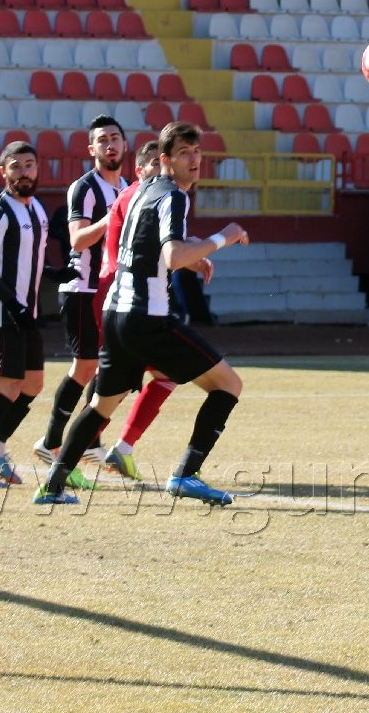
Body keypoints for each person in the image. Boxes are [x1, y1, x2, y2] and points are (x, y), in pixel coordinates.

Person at [35, 121, 250, 506]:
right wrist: (224, 236)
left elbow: (146, 249)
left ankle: (52, 485)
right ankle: (185, 475)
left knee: (101, 405)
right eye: (184, 153)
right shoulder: (175, 197)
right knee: (228, 385)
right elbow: (172, 255)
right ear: (165, 159)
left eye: (197, 152)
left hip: (116, 313)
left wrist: (191, 257)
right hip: (147, 317)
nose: (194, 160)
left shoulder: (139, 191)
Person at [0, 142, 79, 488]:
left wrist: (56, 274)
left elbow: (33, 259)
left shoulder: (37, 209)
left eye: (29, 165)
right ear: (3, 172)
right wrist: (13, 305)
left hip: (26, 312)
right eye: (16, 166)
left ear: (38, 169)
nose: (24, 172)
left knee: (33, 383)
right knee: (7, 384)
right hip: (2, 312)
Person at [33, 115, 129, 488]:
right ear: (91, 149)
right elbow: (77, 239)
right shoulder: (85, 188)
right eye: (102, 140)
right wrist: (112, 216)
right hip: (83, 289)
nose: (110, 144)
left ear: (125, 145)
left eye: (115, 138)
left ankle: (89, 440)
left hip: (114, 291)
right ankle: (52, 441)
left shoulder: (128, 186)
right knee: (87, 366)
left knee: (112, 368)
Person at [97, 140, 191, 482]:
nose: (159, 170)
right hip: (125, 300)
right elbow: (143, 253)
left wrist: (194, 260)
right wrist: (218, 241)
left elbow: (161, 250)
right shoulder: (140, 196)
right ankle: (68, 449)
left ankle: (113, 448)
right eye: (152, 164)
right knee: (114, 381)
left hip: (131, 300)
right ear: (140, 170)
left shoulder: (150, 196)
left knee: (156, 375)